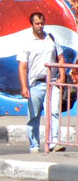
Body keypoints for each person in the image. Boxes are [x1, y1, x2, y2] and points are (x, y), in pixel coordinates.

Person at [18, 11, 62, 153]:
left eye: (42, 23)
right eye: (37, 23)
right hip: (35, 84)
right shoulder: (27, 42)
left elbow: (60, 58)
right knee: (34, 116)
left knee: (54, 111)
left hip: (52, 82)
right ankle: (34, 145)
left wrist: (62, 76)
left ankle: (54, 142)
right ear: (31, 24)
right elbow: (23, 67)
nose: (40, 26)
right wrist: (24, 87)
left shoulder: (51, 39)